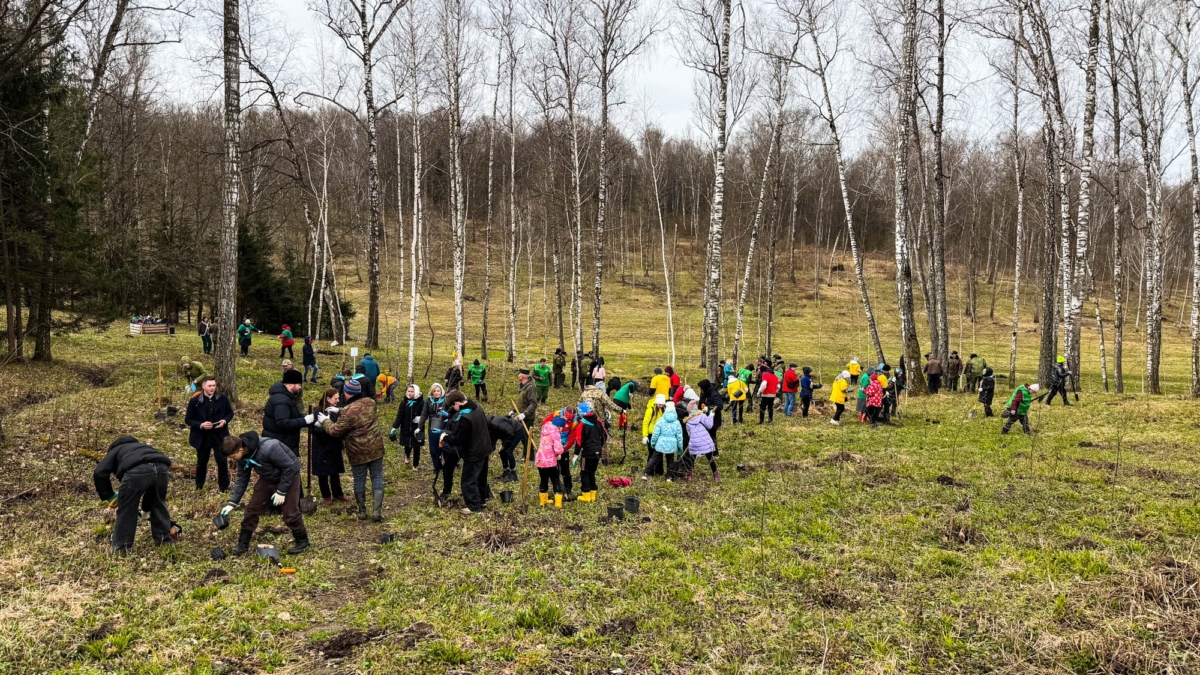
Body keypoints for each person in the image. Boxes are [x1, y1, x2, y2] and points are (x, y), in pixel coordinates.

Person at [218, 430, 308, 555]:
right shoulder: (242, 457)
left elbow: (290, 468)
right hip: (267, 478)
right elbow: (242, 479)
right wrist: (232, 503)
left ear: (240, 450)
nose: (232, 460)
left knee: (290, 513)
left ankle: (303, 541)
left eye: (232, 457)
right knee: (252, 510)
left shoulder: (270, 447)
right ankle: (242, 544)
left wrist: (281, 491)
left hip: (289, 476)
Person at [318, 377, 386, 521]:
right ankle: (376, 512)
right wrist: (340, 410)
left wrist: (325, 421)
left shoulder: (348, 412)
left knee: (359, 479)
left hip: (357, 452)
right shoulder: (371, 402)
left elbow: (335, 430)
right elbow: (358, 411)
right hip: (376, 448)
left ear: (348, 393)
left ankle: (362, 512)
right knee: (377, 478)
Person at [94, 436, 174, 554]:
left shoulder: (115, 450)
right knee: (158, 504)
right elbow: (151, 487)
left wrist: (109, 495)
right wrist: (146, 511)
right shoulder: (143, 447)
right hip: (162, 468)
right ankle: (164, 543)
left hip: (137, 470)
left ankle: (121, 548)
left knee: (127, 508)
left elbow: (99, 472)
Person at [441, 390, 492, 514]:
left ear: (457, 403)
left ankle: (474, 506)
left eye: (453, 406)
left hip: (473, 453)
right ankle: (482, 498)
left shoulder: (465, 418)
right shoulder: (477, 408)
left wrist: (445, 437)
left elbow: (459, 440)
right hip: (485, 448)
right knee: (481, 476)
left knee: (468, 480)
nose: (454, 408)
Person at [185, 376, 233, 491]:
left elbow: (230, 413)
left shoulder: (222, 398)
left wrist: (224, 421)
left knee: (222, 461)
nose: (212, 388)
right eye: (210, 386)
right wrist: (201, 425)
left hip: (219, 435)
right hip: (202, 436)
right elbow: (188, 419)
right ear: (203, 386)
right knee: (202, 461)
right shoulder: (195, 401)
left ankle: (224, 487)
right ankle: (199, 486)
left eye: (214, 386)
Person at [263, 369, 313, 456]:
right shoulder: (282, 401)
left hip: (282, 442)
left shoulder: (287, 397)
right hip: (280, 445)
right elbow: (283, 423)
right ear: (290, 384)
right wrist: (304, 421)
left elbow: (293, 416)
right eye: (299, 384)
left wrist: (311, 421)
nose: (300, 387)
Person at [310, 388, 348, 503]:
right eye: (335, 398)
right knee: (323, 473)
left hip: (334, 445)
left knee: (334, 471)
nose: (337, 400)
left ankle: (338, 493)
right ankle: (326, 495)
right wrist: (327, 429)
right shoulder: (317, 412)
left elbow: (340, 426)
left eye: (338, 398)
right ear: (328, 398)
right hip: (321, 446)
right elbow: (313, 430)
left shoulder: (335, 411)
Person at [569, 401, 606, 501]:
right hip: (598, 452)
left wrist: (576, 455)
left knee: (584, 473)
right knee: (592, 472)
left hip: (587, 453)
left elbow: (579, 441)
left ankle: (586, 495)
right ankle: (593, 494)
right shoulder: (599, 421)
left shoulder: (582, 424)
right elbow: (604, 435)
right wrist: (599, 446)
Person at [642, 403, 682, 480]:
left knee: (654, 458)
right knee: (670, 460)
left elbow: (655, 434)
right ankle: (669, 477)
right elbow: (679, 437)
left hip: (660, 443)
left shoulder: (661, 420)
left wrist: (653, 443)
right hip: (672, 445)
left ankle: (646, 473)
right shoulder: (677, 423)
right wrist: (680, 448)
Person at [390, 384, 426, 467]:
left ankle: (415, 464)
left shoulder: (422, 403)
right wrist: (395, 426)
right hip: (406, 428)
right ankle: (407, 454)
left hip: (418, 428)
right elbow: (400, 415)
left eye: (412, 392)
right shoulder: (404, 402)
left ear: (416, 392)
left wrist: (420, 419)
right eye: (408, 391)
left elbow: (425, 414)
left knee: (417, 447)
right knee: (407, 445)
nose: (410, 393)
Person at [683, 401, 719, 482]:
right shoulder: (702, 416)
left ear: (688, 411)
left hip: (694, 443)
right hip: (705, 442)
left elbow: (689, 434)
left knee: (692, 459)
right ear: (696, 408)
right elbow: (709, 425)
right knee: (710, 458)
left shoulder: (688, 421)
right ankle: (716, 476)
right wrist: (711, 415)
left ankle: (689, 476)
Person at [537, 415, 567, 507]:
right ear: (559, 426)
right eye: (562, 427)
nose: (562, 429)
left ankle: (543, 501)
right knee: (555, 480)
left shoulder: (544, 430)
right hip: (550, 461)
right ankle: (558, 503)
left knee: (543, 480)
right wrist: (560, 451)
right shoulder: (555, 433)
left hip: (540, 460)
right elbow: (558, 449)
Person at [488, 413, 527, 483]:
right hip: (507, 435)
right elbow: (492, 440)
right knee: (502, 452)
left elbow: (510, 432)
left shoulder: (496, 424)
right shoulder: (490, 428)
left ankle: (513, 473)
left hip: (517, 431)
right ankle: (506, 471)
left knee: (508, 451)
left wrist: (504, 445)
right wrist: (490, 450)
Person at [641, 393, 667, 475]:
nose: (660, 406)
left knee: (660, 453)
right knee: (652, 453)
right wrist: (645, 436)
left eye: (662, 404)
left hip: (660, 435)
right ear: (656, 403)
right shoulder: (650, 410)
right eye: (659, 404)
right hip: (651, 435)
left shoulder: (664, 410)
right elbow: (645, 423)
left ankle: (659, 472)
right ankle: (650, 472)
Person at [424, 383, 449, 468]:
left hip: (445, 427)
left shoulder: (446, 401)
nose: (436, 393)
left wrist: (447, 416)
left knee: (445, 447)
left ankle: (449, 464)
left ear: (441, 391)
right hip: (433, 427)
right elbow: (424, 414)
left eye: (438, 391)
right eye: (434, 391)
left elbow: (453, 414)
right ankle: (437, 466)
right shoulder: (428, 401)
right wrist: (419, 427)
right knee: (434, 449)